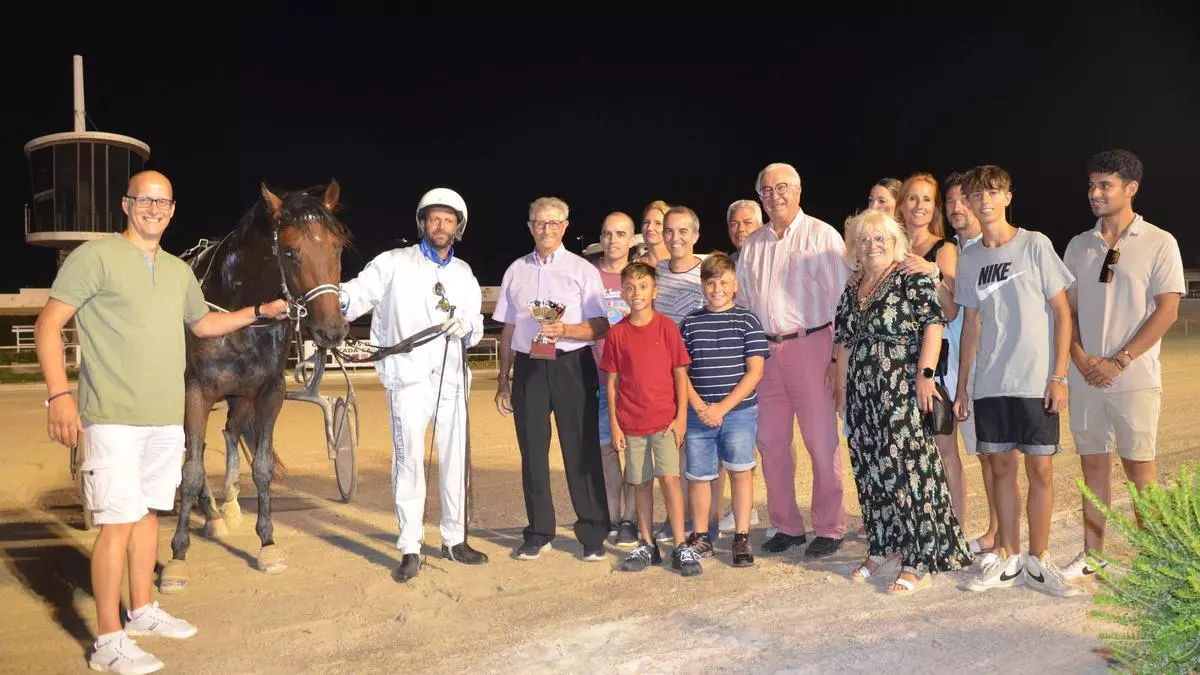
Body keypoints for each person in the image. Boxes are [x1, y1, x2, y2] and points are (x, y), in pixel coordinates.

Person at [35, 170, 289, 674]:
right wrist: (59, 396)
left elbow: (204, 324)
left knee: (149, 515)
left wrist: (258, 311)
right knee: (116, 525)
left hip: (164, 419)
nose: (153, 209)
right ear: (126, 204)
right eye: (144, 200)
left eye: (162, 202)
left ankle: (142, 609)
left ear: (172, 211)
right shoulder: (95, 257)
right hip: (112, 417)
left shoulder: (176, 271)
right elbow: (48, 325)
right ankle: (109, 641)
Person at [338, 187, 487, 583]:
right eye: (434, 218)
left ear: (458, 227)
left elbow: (476, 323)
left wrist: (468, 326)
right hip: (408, 379)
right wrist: (331, 297)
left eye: (448, 220)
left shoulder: (464, 273)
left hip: (451, 381)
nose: (441, 225)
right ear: (422, 223)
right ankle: (410, 546)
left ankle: (455, 539)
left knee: (455, 462)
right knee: (408, 463)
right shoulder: (392, 263)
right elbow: (356, 293)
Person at [953, 165, 1080, 597]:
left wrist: (1059, 375)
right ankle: (1010, 557)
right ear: (969, 203)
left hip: (1035, 379)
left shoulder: (1035, 244)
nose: (984, 200)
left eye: (993, 192)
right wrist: (963, 384)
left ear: (1008, 197)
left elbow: (1062, 313)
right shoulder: (970, 258)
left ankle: (1039, 560)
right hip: (991, 381)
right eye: (976, 194)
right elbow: (971, 325)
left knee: (1040, 469)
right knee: (1002, 469)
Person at [834, 210, 973, 595]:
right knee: (871, 469)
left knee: (908, 471)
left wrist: (925, 376)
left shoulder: (909, 276)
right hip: (863, 393)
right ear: (855, 248)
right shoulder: (853, 287)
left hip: (900, 389)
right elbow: (843, 341)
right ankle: (883, 545)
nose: (872, 245)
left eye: (880, 238)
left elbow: (934, 324)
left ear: (895, 242)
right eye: (864, 239)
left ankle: (919, 555)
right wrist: (842, 391)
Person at [1062, 149, 1185, 580]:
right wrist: (1079, 357)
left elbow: (1167, 310)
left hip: (1134, 377)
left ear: (1131, 189)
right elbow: (1067, 311)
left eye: (1105, 185)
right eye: (1091, 185)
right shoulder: (1079, 245)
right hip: (1085, 376)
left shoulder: (1159, 242)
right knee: (1093, 466)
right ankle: (1092, 555)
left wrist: (1120, 360)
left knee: (1139, 469)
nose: (1094, 193)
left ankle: (1156, 560)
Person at [735, 162, 849, 557]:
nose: (774, 196)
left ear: (798, 190)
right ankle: (786, 525)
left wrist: (836, 358)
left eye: (781, 187)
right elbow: (743, 303)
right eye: (766, 190)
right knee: (771, 443)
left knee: (821, 441)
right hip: (765, 352)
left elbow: (842, 304)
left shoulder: (822, 236)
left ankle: (830, 526)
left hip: (812, 345)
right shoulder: (753, 245)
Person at [493, 197, 611, 562]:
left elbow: (601, 325)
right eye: (540, 223)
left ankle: (592, 531)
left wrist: (566, 330)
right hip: (529, 367)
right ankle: (539, 531)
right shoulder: (515, 271)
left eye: (554, 223)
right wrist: (503, 379)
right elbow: (508, 329)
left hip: (572, 365)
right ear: (530, 227)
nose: (546, 229)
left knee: (581, 450)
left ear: (565, 227)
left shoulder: (582, 270)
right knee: (532, 452)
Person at [600, 263, 694, 574]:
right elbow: (612, 383)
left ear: (655, 291)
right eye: (629, 287)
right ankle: (648, 543)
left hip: (665, 422)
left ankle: (680, 545)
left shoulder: (667, 328)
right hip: (632, 424)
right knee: (640, 483)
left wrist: (681, 417)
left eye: (643, 287)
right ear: (622, 293)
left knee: (670, 480)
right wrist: (615, 425)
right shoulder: (617, 333)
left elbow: (680, 374)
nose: (636, 293)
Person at [680, 253, 769, 570]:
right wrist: (700, 407)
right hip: (699, 415)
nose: (717, 289)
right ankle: (701, 535)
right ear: (702, 286)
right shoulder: (690, 323)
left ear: (735, 286)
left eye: (723, 282)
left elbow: (755, 372)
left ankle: (741, 536)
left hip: (738, 413)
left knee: (740, 472)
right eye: (710, 283)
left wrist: (722, 408)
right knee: (699, 476)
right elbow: (680, 372)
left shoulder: (747, 320)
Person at [892, 173, 968, 538]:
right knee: (906, 453)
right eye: (912, 198)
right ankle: (917, 529)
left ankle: (955, 530)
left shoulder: (944, 249)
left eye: (926, 199)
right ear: (901, 205)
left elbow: (951, 310)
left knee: (944, 448)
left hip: (934, 362)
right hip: (895, 363)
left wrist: (933, 272)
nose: (919, 206)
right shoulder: (890, 249)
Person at [944, 171, 999, 558]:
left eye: (965, 199)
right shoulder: (950, 251)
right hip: (960, 370)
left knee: (996, 456)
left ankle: (1000, 533)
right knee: (981, 453)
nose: (957, 207)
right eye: (951, 201)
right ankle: (995, 530)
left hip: (991, 368)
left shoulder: (992, 248)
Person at [593, 212, 639, 547]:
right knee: (606, 451)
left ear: (631, 239)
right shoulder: (587, 275)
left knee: (635, 454)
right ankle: (611, 517)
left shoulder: (640, 276)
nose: (613, 240)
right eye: (607, 233)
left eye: (620, 234)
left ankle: (630, 520)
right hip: (599, 379)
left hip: (636, 383)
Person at [726, 199, 764, 267]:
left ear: (761, 226)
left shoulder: (772, 257)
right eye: (734, 224)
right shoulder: (728, 265)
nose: (741, 229)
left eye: (747, 223)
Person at [636, 200, 671, 266]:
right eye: (646, 222)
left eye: (658, 223)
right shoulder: (635, 265)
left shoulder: (680, 262)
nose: (650, 228)